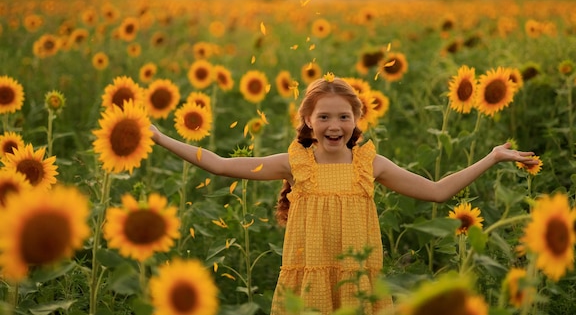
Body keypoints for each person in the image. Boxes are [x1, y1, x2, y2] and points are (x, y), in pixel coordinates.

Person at [149, 77, 538, 314]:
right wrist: (160, 137)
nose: (334, 125)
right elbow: (218, 164)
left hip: (358, 284)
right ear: (307, 121)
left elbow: (437, 192)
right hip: (309, 284)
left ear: (356, 120)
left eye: (343, 117)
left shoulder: (371, 164)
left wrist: (491, 157)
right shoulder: (294, 163)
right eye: (324, 117)